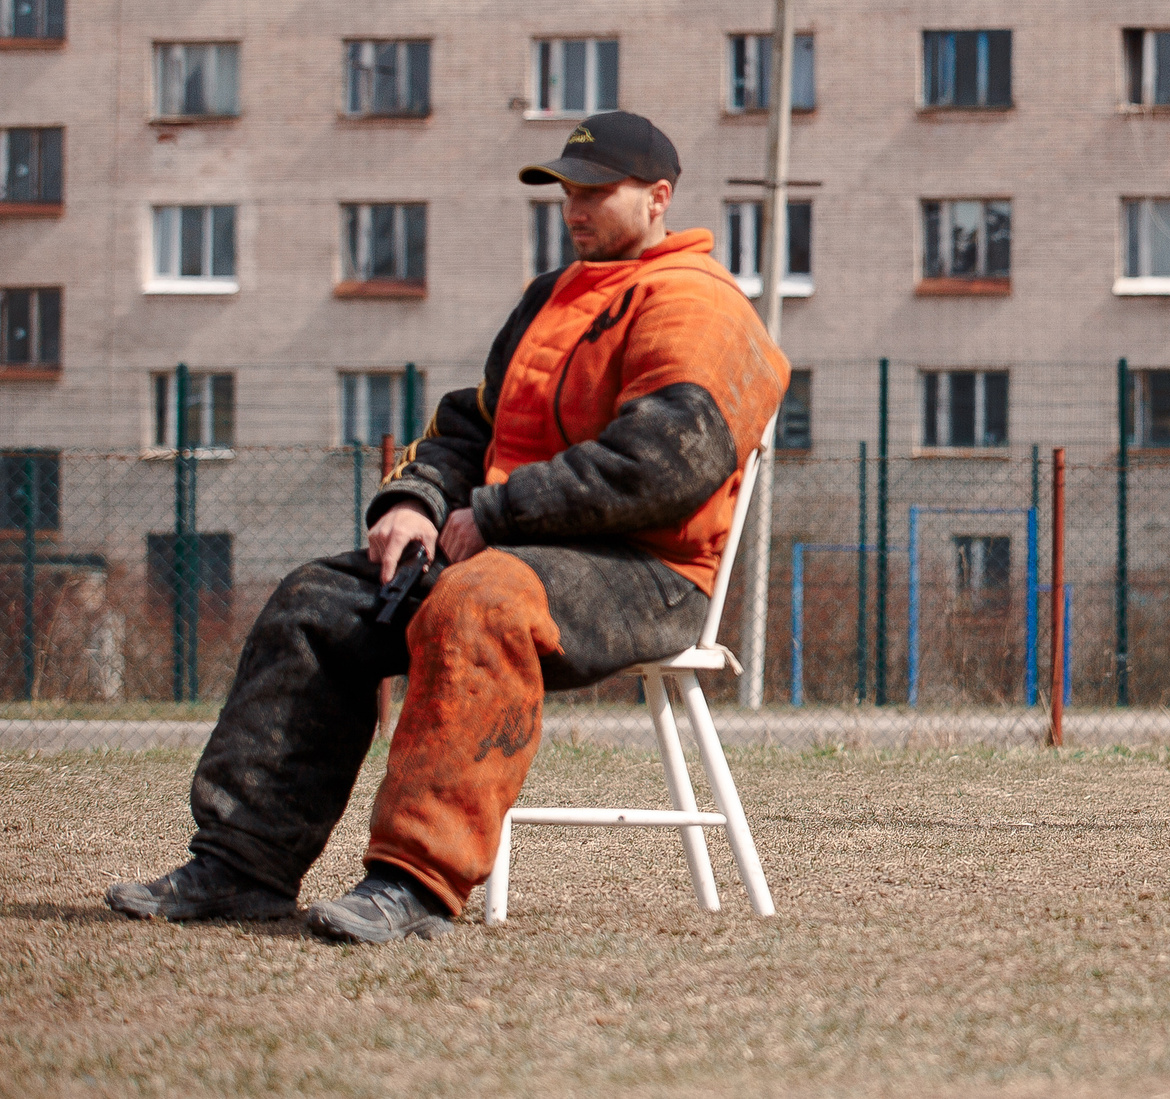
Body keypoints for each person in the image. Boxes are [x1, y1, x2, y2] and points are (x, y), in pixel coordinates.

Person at [107, 112, 789, 941]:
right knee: (316, 601)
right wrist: (416, 501)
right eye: (565, 192)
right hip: (513, 548)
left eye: (594, 192)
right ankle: (239, 867)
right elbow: (472, 426)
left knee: (477, 602)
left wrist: (495, 513)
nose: (573, 209)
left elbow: (662, 466)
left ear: (658, 198)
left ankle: (412, 885)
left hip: (649, 571)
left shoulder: (700, 307)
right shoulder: (555, 296)